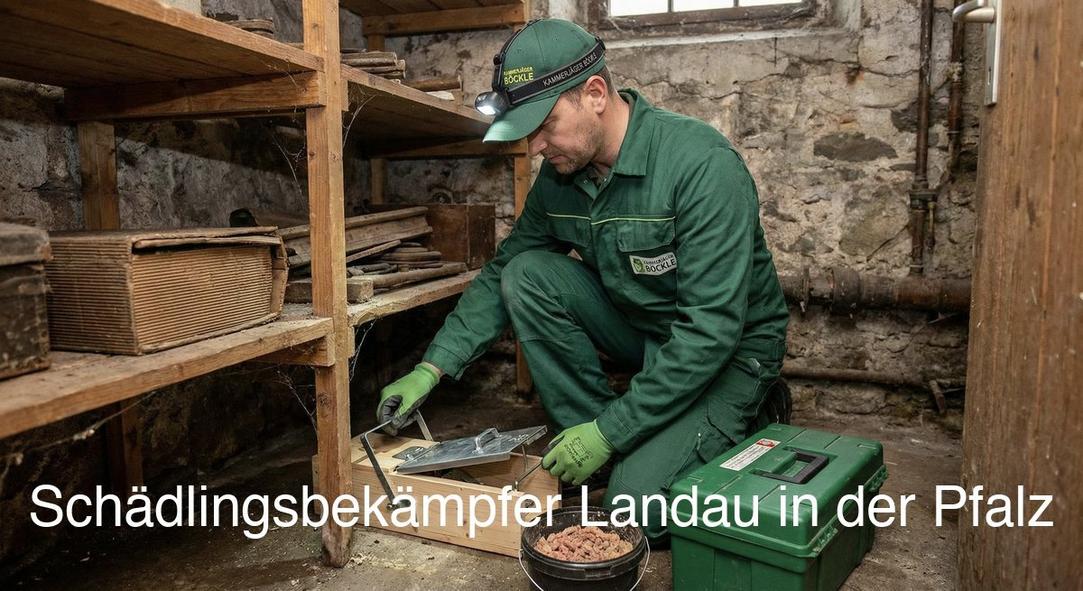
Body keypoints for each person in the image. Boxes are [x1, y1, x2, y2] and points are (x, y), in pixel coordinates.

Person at [376, 18, 789, 544]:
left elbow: (711, 331)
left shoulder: (702, 165)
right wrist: (431, 369)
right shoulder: (562, 177)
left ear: (594, 94)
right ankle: (599, 446)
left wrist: (610, 431)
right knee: (527, 274)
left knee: (636, 514)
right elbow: (504, 270)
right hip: (647, 331)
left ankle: (750, 410)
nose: (536, 147)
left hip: (728, 349)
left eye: (545, 125)